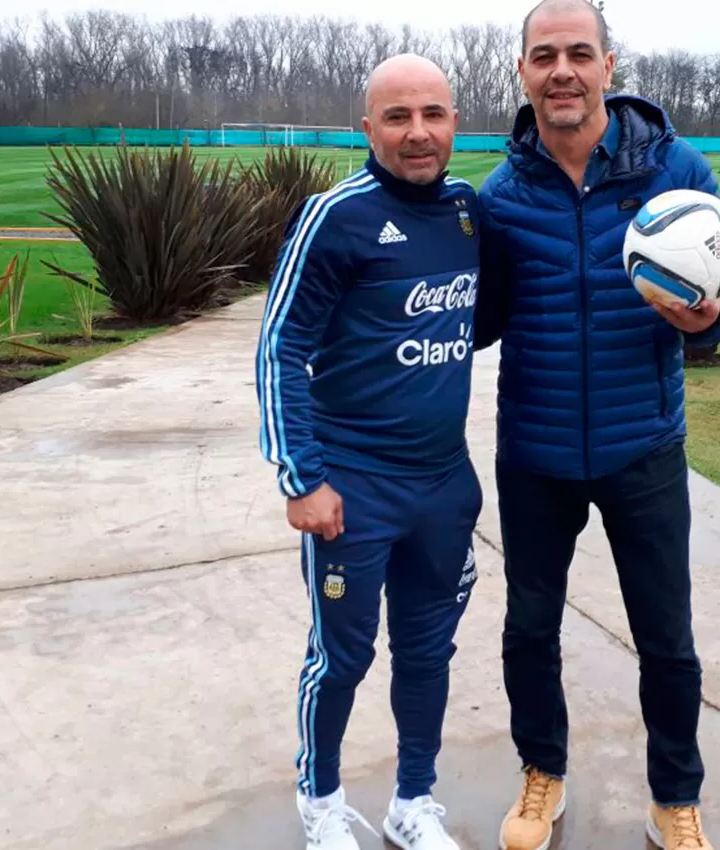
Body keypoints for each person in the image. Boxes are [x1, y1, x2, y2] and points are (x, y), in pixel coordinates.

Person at [470, 2, 720, 849]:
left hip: (644, 447)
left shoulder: (676, 169)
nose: (562, 71)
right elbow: (478, 320)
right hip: (537, 451)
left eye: (578, 54)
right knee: (529, 629)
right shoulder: (501, 194)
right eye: (544, 55)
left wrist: (711, 320)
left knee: (666, 635)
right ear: (522, 71)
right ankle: (541, 776)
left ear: (608, 66)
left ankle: (674, 795)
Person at [255, 53, 485, 850]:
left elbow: (468, 322)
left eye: (434, 114)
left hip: (444, 487)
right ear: (368, 128)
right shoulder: (336, 216)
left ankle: (412, 803)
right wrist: (302, 477)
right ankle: (320, 801)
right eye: (398, 117)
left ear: (455, 121)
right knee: (342, 659)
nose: (418, 133)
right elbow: (280, 348)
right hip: (352, 491)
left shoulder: (464, 212)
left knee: (427, 653)